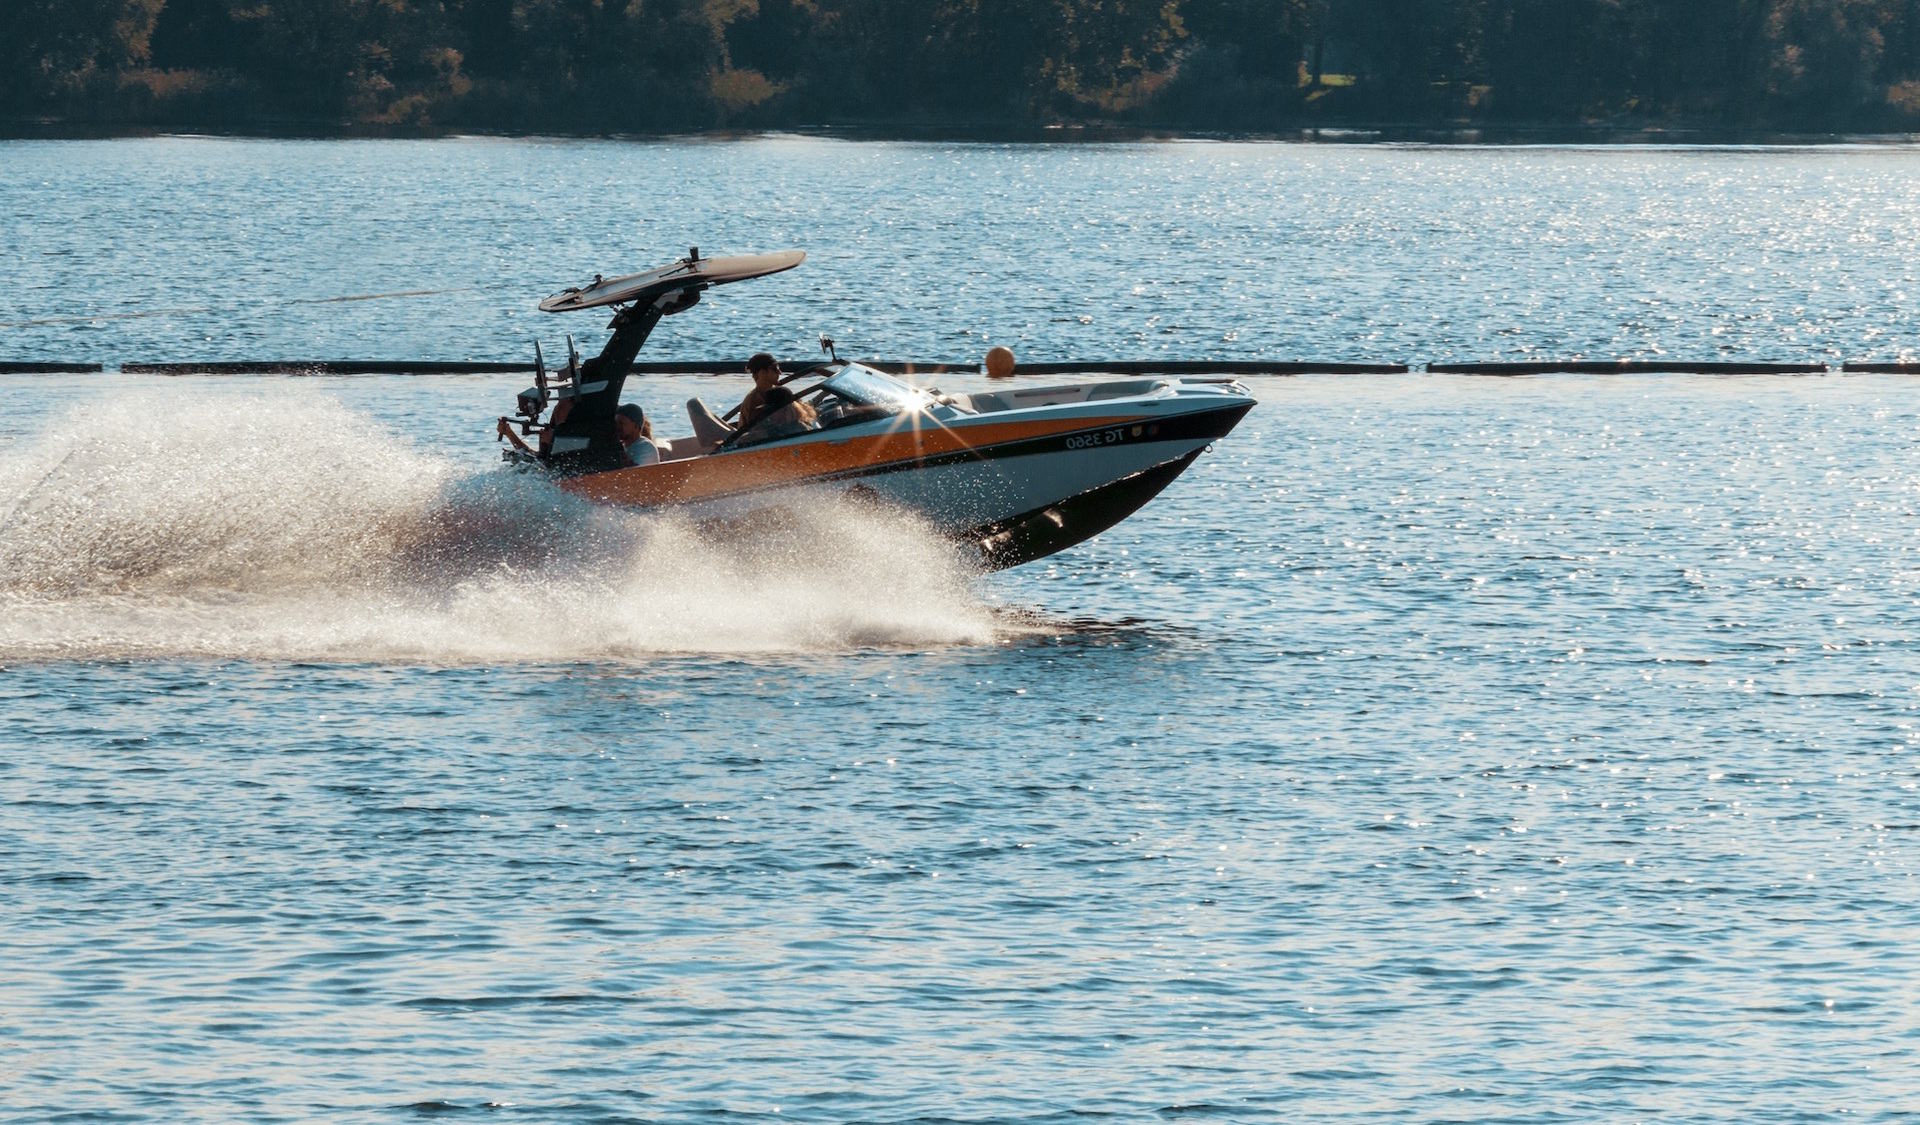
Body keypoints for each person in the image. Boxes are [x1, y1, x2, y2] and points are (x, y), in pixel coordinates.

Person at [733, 352, 782, 431]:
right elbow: (756, 432)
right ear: (762, 373)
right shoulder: (753, 400)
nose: (780, 372)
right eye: (775, 369)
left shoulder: (781, 393)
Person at [614, 402, 664, 467]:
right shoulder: (623, 447)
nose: (617, 427)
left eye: (622, 423)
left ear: (636, 426)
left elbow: (636, 472)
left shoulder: (646, 447)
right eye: (616, 423)